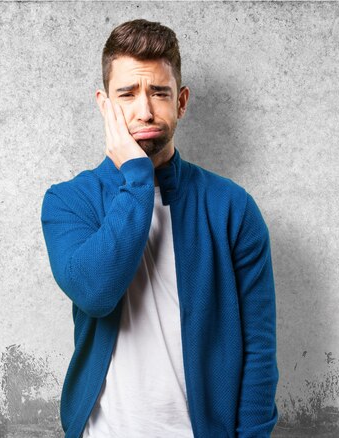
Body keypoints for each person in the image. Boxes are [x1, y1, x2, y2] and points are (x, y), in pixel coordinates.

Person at [40, 18, 279, 438]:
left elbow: (259, 349)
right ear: (104, 104)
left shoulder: (233, 208)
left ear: (181, 102)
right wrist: (136, 174)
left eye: (159, 93)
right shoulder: (68, 201)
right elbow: (96, 292)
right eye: (127, 94)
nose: (145, 110)